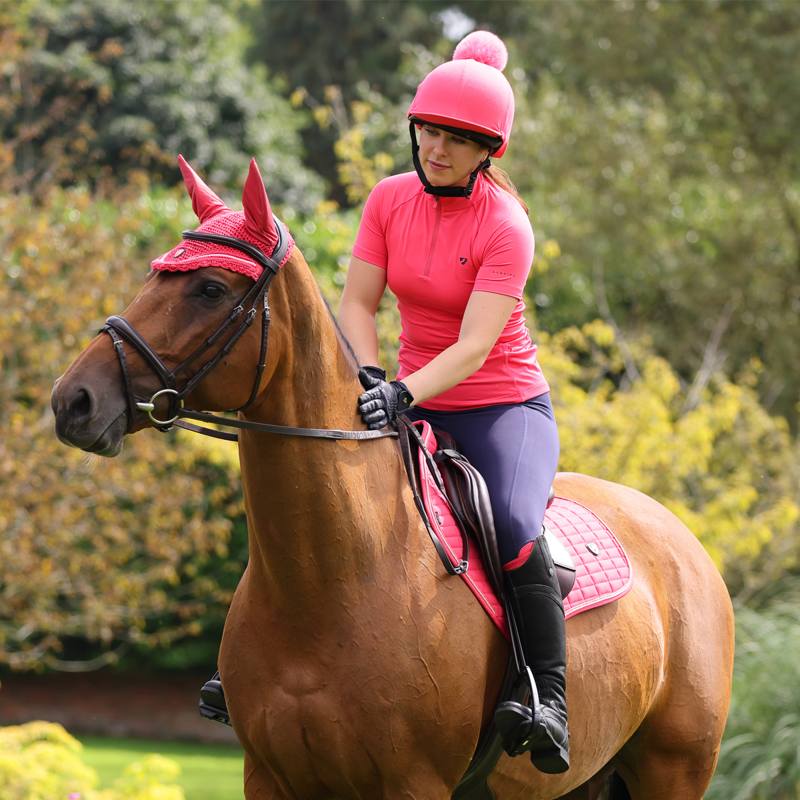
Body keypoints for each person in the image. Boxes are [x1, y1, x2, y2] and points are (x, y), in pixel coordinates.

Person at [336, 31, 568, 775]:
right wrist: (372, 375)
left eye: (459, 139)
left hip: (501, 406)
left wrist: (400, 391)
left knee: (510, 522)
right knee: (325, 496)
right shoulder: (388, 199)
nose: (438, 148)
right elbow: (357, 301)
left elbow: (472, 348)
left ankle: (549, 696)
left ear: (487, 151)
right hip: (406, 398)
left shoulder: (506, 225)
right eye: (430, 130)